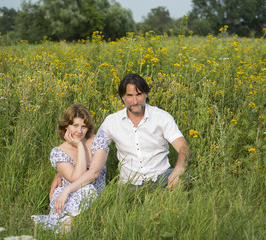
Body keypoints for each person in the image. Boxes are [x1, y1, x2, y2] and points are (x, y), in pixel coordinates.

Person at [51, 73, 189, 193]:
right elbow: (91, 147)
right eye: (129, 95)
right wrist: (61, 173)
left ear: (146, 94)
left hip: (161, 176)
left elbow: (183, 148)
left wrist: (179, 170)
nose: (135, 101)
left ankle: (166, 197)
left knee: (187, 177)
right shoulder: (112, 121)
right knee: (121, 206)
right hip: (129, 184)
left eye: (139, 94)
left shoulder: (162, 117)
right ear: (122, 97)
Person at [31, 104, 109, 233]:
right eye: (75, 125)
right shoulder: (58, 152)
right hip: (67, 196)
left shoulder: (98, 142)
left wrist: (66, 190)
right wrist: (79, 147)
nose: (79, 131)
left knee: (88, 189)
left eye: (83, 126)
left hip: (90, 193)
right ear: (66, 126)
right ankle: (63, 223)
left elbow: (93, 174)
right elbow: (76, 178)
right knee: (68, 218)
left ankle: (53, 224)